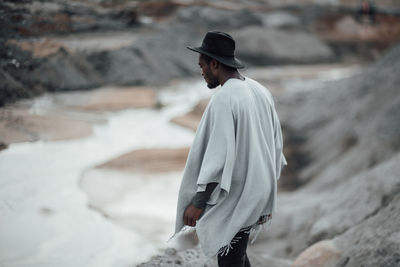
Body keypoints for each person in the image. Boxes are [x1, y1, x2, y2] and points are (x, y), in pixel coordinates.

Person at [172, 31, 287, 267]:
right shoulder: (259, 90)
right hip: (259, 190)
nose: (201, 72)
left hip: (239, 196)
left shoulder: (225, 98)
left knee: (230, 259)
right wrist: (268, 191)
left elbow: (218, 159)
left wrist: (198, 202)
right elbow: (276, 143)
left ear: (214, 64)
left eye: (202, 65)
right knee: (236, 255)